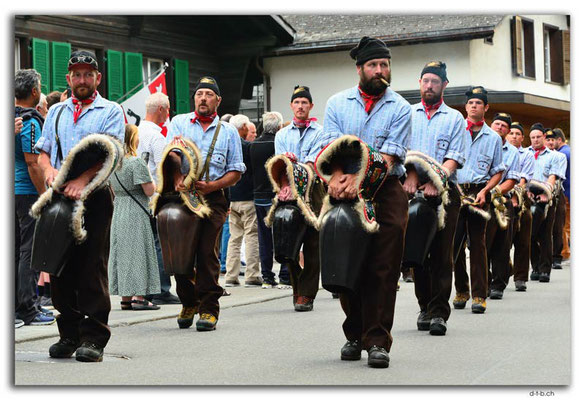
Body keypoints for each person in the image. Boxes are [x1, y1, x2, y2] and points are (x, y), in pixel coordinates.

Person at [322, 37, 410, 368]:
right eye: (373, 65)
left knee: (383, 269)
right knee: (348, 264)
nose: (380, 71)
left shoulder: (400, 106)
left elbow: (389, 155)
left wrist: (357, 181)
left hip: (385, 189)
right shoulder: (336, 103)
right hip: (342, 184)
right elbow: (330, 145)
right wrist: (338, 178)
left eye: (384, 64)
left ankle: (377, 341)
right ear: (359, 69)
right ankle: (354, 334)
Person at [35, 50, 125, 362]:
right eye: (77, 74)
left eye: (88, 74)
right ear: (68, 78)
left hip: (96, 197)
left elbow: (110, 153)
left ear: (98, 78)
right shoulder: (57, 111)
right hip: (60, 196)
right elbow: (43, 151)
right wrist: (48, 171)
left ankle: (94, 338)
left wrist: (83, 180)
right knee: (58, 267)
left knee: (91, 266)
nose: (82, 79)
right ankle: (68, 335)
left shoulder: (111, 110)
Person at [167, 76, 245, 331]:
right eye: (199, 94)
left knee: (207, 254)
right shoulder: (179, 122)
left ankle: (209, 309)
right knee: (181, 255)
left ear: (218, 101)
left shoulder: (229, 131)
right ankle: (189, 301)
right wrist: (178, 176)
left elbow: (236, 171)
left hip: (213, 198)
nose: (203, 98)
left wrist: (213, 186)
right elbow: (170, 155)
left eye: (208, 94)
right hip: (183, 196)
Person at [405, 61, 468, 336]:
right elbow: (400, 149)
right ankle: (424, 306)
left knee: (443, 254)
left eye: (435, 81)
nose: (429, 86)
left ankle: (439, 312)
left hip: (444, 193)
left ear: (444, 85)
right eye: (425, 80)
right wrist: (412, 178)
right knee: (417, 252)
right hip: (411, 189)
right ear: (420, 83)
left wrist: (436, 180)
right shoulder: (407, 115)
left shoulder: (455, 118)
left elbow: (455, 158)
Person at [452, 86, 504, 314]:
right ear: (466, 106)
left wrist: (486, 191)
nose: (474, 106)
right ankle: (461, 289)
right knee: (453, 243)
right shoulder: (455, 130)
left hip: (479, 193)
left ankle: (480, 295)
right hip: (454, 190)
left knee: (478, 244)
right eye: (471, 102)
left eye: (478, 103)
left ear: (486, 107)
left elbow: (498, 171)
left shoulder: (493, 137)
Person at [274, 85, 326, 312]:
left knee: (313, 244)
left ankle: (307, 293)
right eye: (297, 102)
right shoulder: (281, 134)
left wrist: (295, 164)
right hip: (287, 189)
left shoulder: (321, 131)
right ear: (291, 106)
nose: (301, 106)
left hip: (314, 190)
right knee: (289, 241)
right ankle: (298, 286)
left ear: (311, 106)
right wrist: (285, 184)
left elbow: (315, 161)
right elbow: (279, 162)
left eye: (305, 102)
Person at [14, 68, 55, 328]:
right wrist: (44, 195)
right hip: (26, 192)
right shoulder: (29, 120)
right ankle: (27, 308)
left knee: (14, 250)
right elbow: (32, 162)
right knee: (29, 251)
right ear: (34, 91)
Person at [108, 124, 161, 311]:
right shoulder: (136, 162)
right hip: (136, 211)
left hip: (120, 209)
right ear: (132, 139)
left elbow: (114, 191)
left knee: (123, 253)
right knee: (139, 252)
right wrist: (153, 181)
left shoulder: (113, 163)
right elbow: (149, 191)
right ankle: (139, 297)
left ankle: (125, 298)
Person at [137, 92, 181, 305]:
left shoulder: (136, 131)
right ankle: (162, 289)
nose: (169, 114)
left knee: (145, 243)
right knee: (159, 243)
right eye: (168, 108)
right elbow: (164, 166)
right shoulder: (156, 136)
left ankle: (145, 289)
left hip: (136, 196)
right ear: (162, 110)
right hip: (154, 195)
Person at [249, 111, 291, 288]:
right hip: (277, 195)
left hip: (258, 196)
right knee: (283, 235)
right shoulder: (279, 144)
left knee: (264, 237)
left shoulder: (253, 146)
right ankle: (284, 275)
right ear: (279, 127)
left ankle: (267, 276)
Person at [224, 114, 262, 287]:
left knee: (234, 237)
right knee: (252, 235)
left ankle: (231, 275)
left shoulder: (226, 146)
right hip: (249, 197)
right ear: (244, 128)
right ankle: (252, 274)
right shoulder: (248, 147)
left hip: (232, 197)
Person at [485, 113, 520, 300]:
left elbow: (512, 180)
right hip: (480, 198)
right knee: (482, 244)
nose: (500, 127)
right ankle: (482, 281)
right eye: (497, 124)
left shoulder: (512, 151)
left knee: (502, 244)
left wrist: (493, 191)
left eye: (504, 126)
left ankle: (498, 284)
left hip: (501, 200)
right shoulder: (484, 143)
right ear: (491, 126)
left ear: (507, 131)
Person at [526, 123, 565, 282]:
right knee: (530, 234)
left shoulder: (556, 156)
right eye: (533, 137)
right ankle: (535, 267)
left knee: (545, 233)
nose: (535, 140)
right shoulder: (524, 153)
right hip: (527, 196)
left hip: (547, 197)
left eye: (538, 137)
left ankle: (544, 270)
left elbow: (554, 176)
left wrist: (545, 192)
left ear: (544, 137)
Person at [506, 122, 534, 292]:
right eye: (512, 133)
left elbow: (523, 178)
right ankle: (502, 272)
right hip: (502, 197)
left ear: (523, 138)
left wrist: (516, 194)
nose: (514, 136)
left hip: (522, 199)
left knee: (523, 241)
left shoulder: (528, 154)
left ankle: (521, 277)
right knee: (503, 241)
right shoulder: (502, 151)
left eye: (518, 133)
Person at [544, 129, 567, 270]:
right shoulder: (538, 156)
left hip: (557, 193)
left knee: (558, 226)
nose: (551, 142)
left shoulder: (560, 156)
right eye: (548, 139)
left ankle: (556, 257)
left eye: (553, 140)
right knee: (543, 228)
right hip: (540, 193)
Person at [553, 128, 570, 260]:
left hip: (567, 193)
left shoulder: (563, 154)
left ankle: (564, 252)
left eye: (553, 140)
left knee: (563, 225)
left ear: (559, 139)